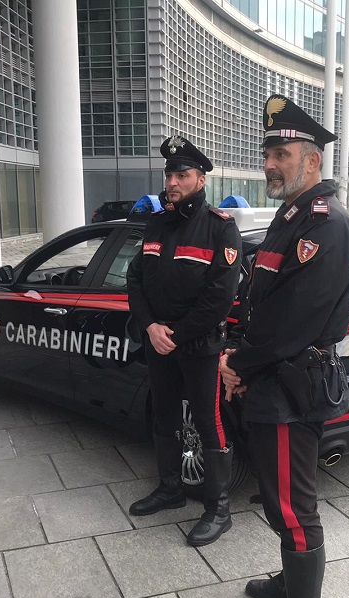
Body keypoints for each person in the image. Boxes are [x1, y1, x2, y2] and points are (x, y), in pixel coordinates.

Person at [219, 95, 349, 598]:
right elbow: (259, 302)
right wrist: (238, 352)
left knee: (294, 506)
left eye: (281, 153)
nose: (271, 164)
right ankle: (291, 581)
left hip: (288, 386)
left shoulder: (328, 226)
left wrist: (237, 364)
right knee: (277, 499)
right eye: (269, 152)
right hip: (268, 381)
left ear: (312, 160)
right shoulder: (290, 218)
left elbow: (290, 328)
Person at [126, 135, 242, 547]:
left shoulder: (220, 228)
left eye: (182, 174)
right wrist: (150, 327)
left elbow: (219, 298)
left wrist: (175, 335)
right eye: (169, 174)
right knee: (165, 418)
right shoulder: (157, 223)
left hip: (198, 346)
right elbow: (135, 278)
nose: (173, 182)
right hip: (160, 342)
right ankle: (171, 489)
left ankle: (219, 509)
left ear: (201, 178)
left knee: (209, 425)